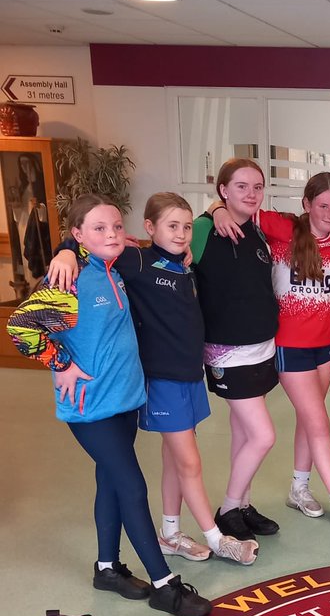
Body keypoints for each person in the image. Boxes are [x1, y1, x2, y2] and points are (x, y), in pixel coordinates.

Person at [6, 194, 211, 616]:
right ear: (78, 235)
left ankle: (107, 568)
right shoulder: (69, 278)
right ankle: (163, 584)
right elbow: (19, 325)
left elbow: (146, 248)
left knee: (111, 481)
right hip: (90, 407)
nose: (112, 234)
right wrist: (58, 361)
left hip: (123, 399)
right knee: (132, 485)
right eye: (99, 228)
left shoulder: (114, 265)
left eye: (116, 226)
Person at [49, 193, 259, 567]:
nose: (180, 234)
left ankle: (171, 532)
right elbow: (92, 244)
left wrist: (217, 208)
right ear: (149, 228)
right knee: (190, 463)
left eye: (186, 227)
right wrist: (66, 250)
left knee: (174, 459)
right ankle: (217, 537)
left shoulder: (184, 265)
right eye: (171, 226)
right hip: (162, 382)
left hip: (189, 376)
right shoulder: (136, 261)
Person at [212, 172, 330, 537]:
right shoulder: (281, 228)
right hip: (290, 346)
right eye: (322, 206)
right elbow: (233, 207)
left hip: (326, 343)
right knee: (318, 421)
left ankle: (299, 489)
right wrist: (217, 209)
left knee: (308, 417)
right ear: (306, 205)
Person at [192, 159, 280, 544]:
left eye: (257, 187)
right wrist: (214, 211)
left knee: (244, 431)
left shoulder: (258, 234)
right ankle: (228, 507)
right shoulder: (203, 229)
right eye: (241, 186)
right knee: (263, 435)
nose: (251, 194)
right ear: (223, 190)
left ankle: (244, 503)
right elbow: (166, 253)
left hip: (261, 346)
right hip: (227, 351)